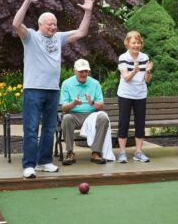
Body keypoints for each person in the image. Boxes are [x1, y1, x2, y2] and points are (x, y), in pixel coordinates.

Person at [12, 0, 95, 178]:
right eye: (50, 24)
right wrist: (27, 1)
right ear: (41, 24)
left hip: (52, 90)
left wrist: (88, 12)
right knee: (31, 129)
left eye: (55, 23)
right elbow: (16, 24)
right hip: (33, 90)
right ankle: (29, 165)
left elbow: (81, 32)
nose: (53, 26)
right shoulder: (30, 36)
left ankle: (44, 162)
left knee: (49, 129)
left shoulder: (59, 38)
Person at [60, 59, 115, 166]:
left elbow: (101, 106)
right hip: (74, 115)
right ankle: (70, 153)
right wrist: (74, 103)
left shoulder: (95, 83)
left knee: (103, 117)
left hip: (91, 115)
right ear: (74, 71)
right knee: (66, 118)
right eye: (81, 71)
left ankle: (96, 152)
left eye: (86, 71)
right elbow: (64, 108)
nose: (84, 74)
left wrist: (92, 102)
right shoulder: (66, 83)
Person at [116, 31, 153, 163]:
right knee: (123, 123)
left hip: (140, 94)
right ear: (127, 43)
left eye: (138, 43)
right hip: (125, 94)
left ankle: (138, 152)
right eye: (133, 43)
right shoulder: (123, 57)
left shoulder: (144, 57)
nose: (136, 45)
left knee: (140, 124)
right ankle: (122, 153)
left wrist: (147, 71)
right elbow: (126, 78)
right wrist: (134, 71)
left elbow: (147, 80)